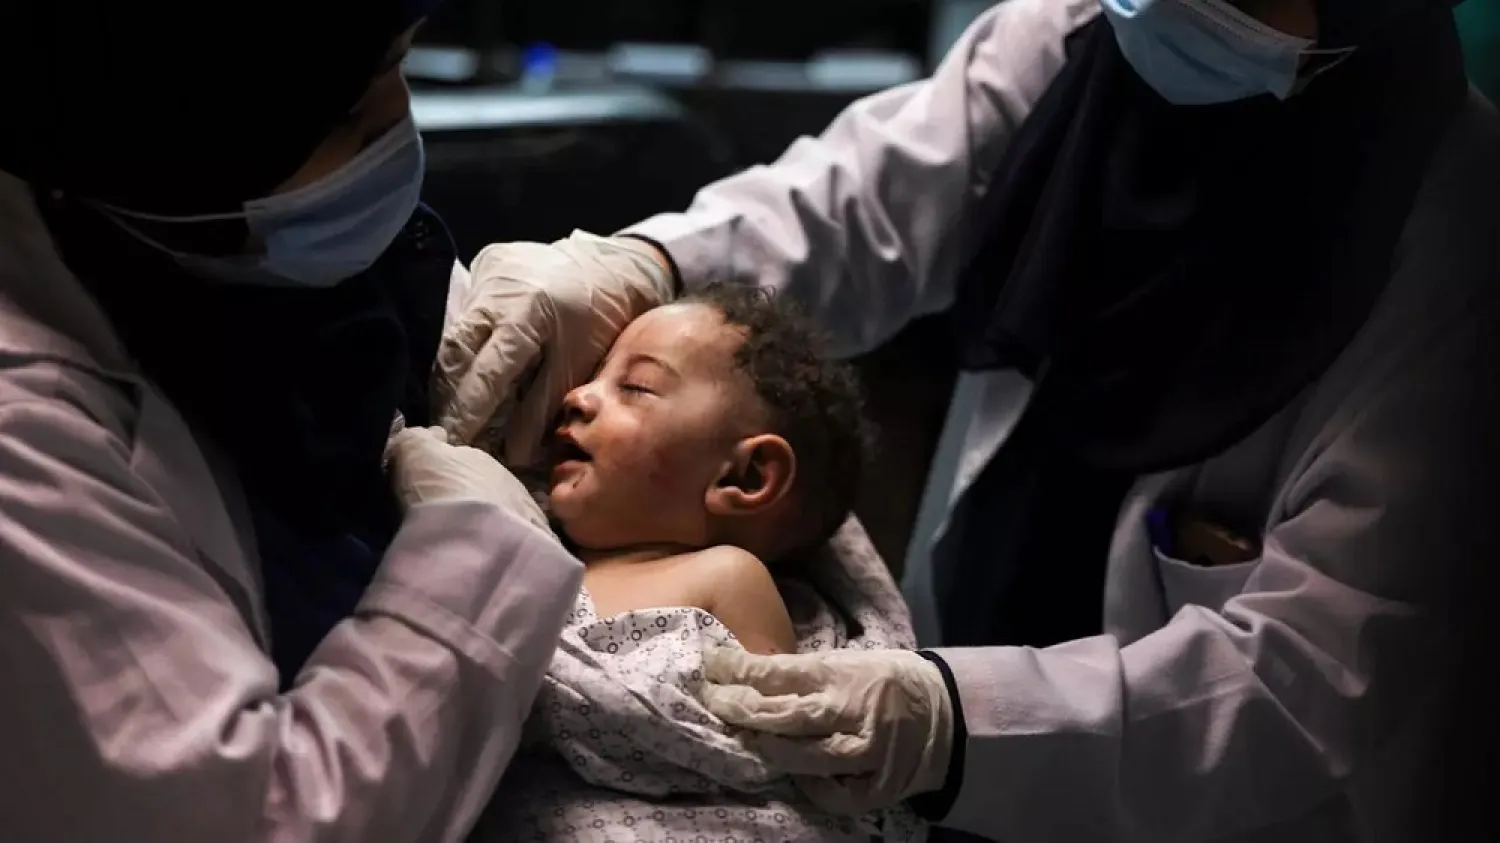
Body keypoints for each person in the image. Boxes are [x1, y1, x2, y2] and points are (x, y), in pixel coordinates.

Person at [435, 0, 1500, 839]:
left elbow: (1316, 675)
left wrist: (951, 721)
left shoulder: (1455, 241)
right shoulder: (1077, 40)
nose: (583, 399)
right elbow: (853, 206)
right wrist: (644, 266)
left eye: (637, 387)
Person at [0, 2, 582, 840]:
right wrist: (480, 557)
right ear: (178, 149)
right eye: (349, 111)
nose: (398, 124)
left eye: (402, 62)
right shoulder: (27, 437)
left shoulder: (260, 232)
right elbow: (255, 818)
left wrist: (643, 263)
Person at [546, 283, 873, 656]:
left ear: (745, 476)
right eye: (594, 375)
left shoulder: (726, 578)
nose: (577, 396)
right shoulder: (539, 526)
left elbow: (767, 694)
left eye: (637, 387)